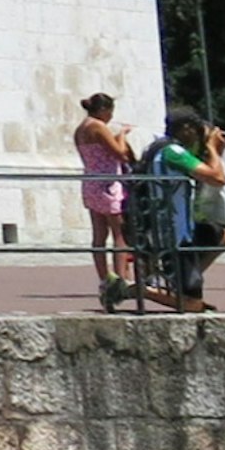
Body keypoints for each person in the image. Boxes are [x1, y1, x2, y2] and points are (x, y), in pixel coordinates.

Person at [146, 110, 223, 312]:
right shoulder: (174, 152)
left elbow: (202, 173)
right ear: (185, 128)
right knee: (194, 306)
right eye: (196, 130)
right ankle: (139, 290)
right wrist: (212, 148)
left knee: (222, 236)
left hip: (177, 225)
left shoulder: (159, 148)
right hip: (175, 233)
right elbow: (217, 178)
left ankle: (186, 283)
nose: (198, 135)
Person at [73, 93, 136, 302]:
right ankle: (120, 279)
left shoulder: (80, 129)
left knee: (99, 235)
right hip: (108, 184)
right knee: (120, 233)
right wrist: (123, 134)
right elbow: (120, 153)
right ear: (104, 110)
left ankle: (104, 280)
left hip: (91, 182)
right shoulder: (98, 127)